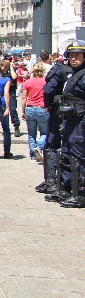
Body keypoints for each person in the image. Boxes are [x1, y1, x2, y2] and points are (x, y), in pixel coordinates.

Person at [54, 41, 85, 208]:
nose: (74, 58)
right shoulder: (75, 74)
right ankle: (65, 189)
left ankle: (81, 194)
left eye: (77, 55)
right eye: (72, 55)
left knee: (79, 159)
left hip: (80, 123)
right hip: (70, 122)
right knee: (65, 155)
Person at [40, 55, 72, 201]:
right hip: (75, 115)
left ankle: (52, 181)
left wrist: (48, 105)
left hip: (59, 112)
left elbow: (48, 89)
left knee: (52, 145)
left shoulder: (60, 69)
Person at [21, 64, 48, 162]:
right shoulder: (46, 82)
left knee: (31, 134)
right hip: (42, 108)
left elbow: (24, 98)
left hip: (30, 108)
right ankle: (39, 147)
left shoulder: (28, 82)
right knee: (45, 132)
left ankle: (33, 155)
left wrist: (23, 111)